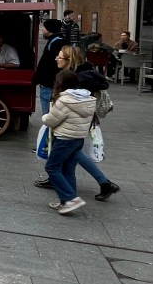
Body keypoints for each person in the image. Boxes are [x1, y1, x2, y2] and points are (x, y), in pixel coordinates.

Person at [34, 46, 120, 200]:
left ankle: (100, 183)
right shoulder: (79, 75)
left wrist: (51, 116)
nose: (56, 59)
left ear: (69, 60)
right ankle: (99, 183)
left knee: (71, 152)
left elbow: (70, 105)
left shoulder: (78, 79)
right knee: (72, 153)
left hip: (73, 123)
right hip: (79, 121)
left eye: (59, 57)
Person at [41, 69, 96, 215]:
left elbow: (51, 120)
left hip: (64, 139)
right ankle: (66, 202)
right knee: (68, 170)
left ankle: (70, 198)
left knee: (52, 168)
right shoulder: (87, 99)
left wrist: (44, 117)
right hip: (78, 139)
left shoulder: (64, 101)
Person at [32, 19, 66, 115]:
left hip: (49, 82)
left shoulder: (56, 42)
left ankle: (48, 128)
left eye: (44, 27)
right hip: (51, 82)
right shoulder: (56, 40)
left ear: (50, 28)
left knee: (48, 111)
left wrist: (40, 77)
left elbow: (48, 63)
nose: (42, 28)